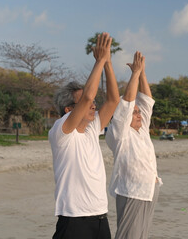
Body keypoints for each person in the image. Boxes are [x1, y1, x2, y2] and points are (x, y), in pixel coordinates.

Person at [49, 32, 120, 239]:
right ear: (69, 110)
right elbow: (89, 95)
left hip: (100, 218)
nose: (93, 105)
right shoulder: (61, 132)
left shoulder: (91, 130)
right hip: (73, 220)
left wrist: (107, 62)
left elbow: (114, 100)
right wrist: (98, 61)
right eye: (86, 105)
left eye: (93, 104)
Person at [106, 51, 162, 239]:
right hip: (132, 191)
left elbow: (147, 102)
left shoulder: (142, 130)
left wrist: (143, 74)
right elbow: (127, 103)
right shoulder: (119, 132)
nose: (138, 114)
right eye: (134, 112)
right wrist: (135, 74)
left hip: (149, 190)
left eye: (139, 113)